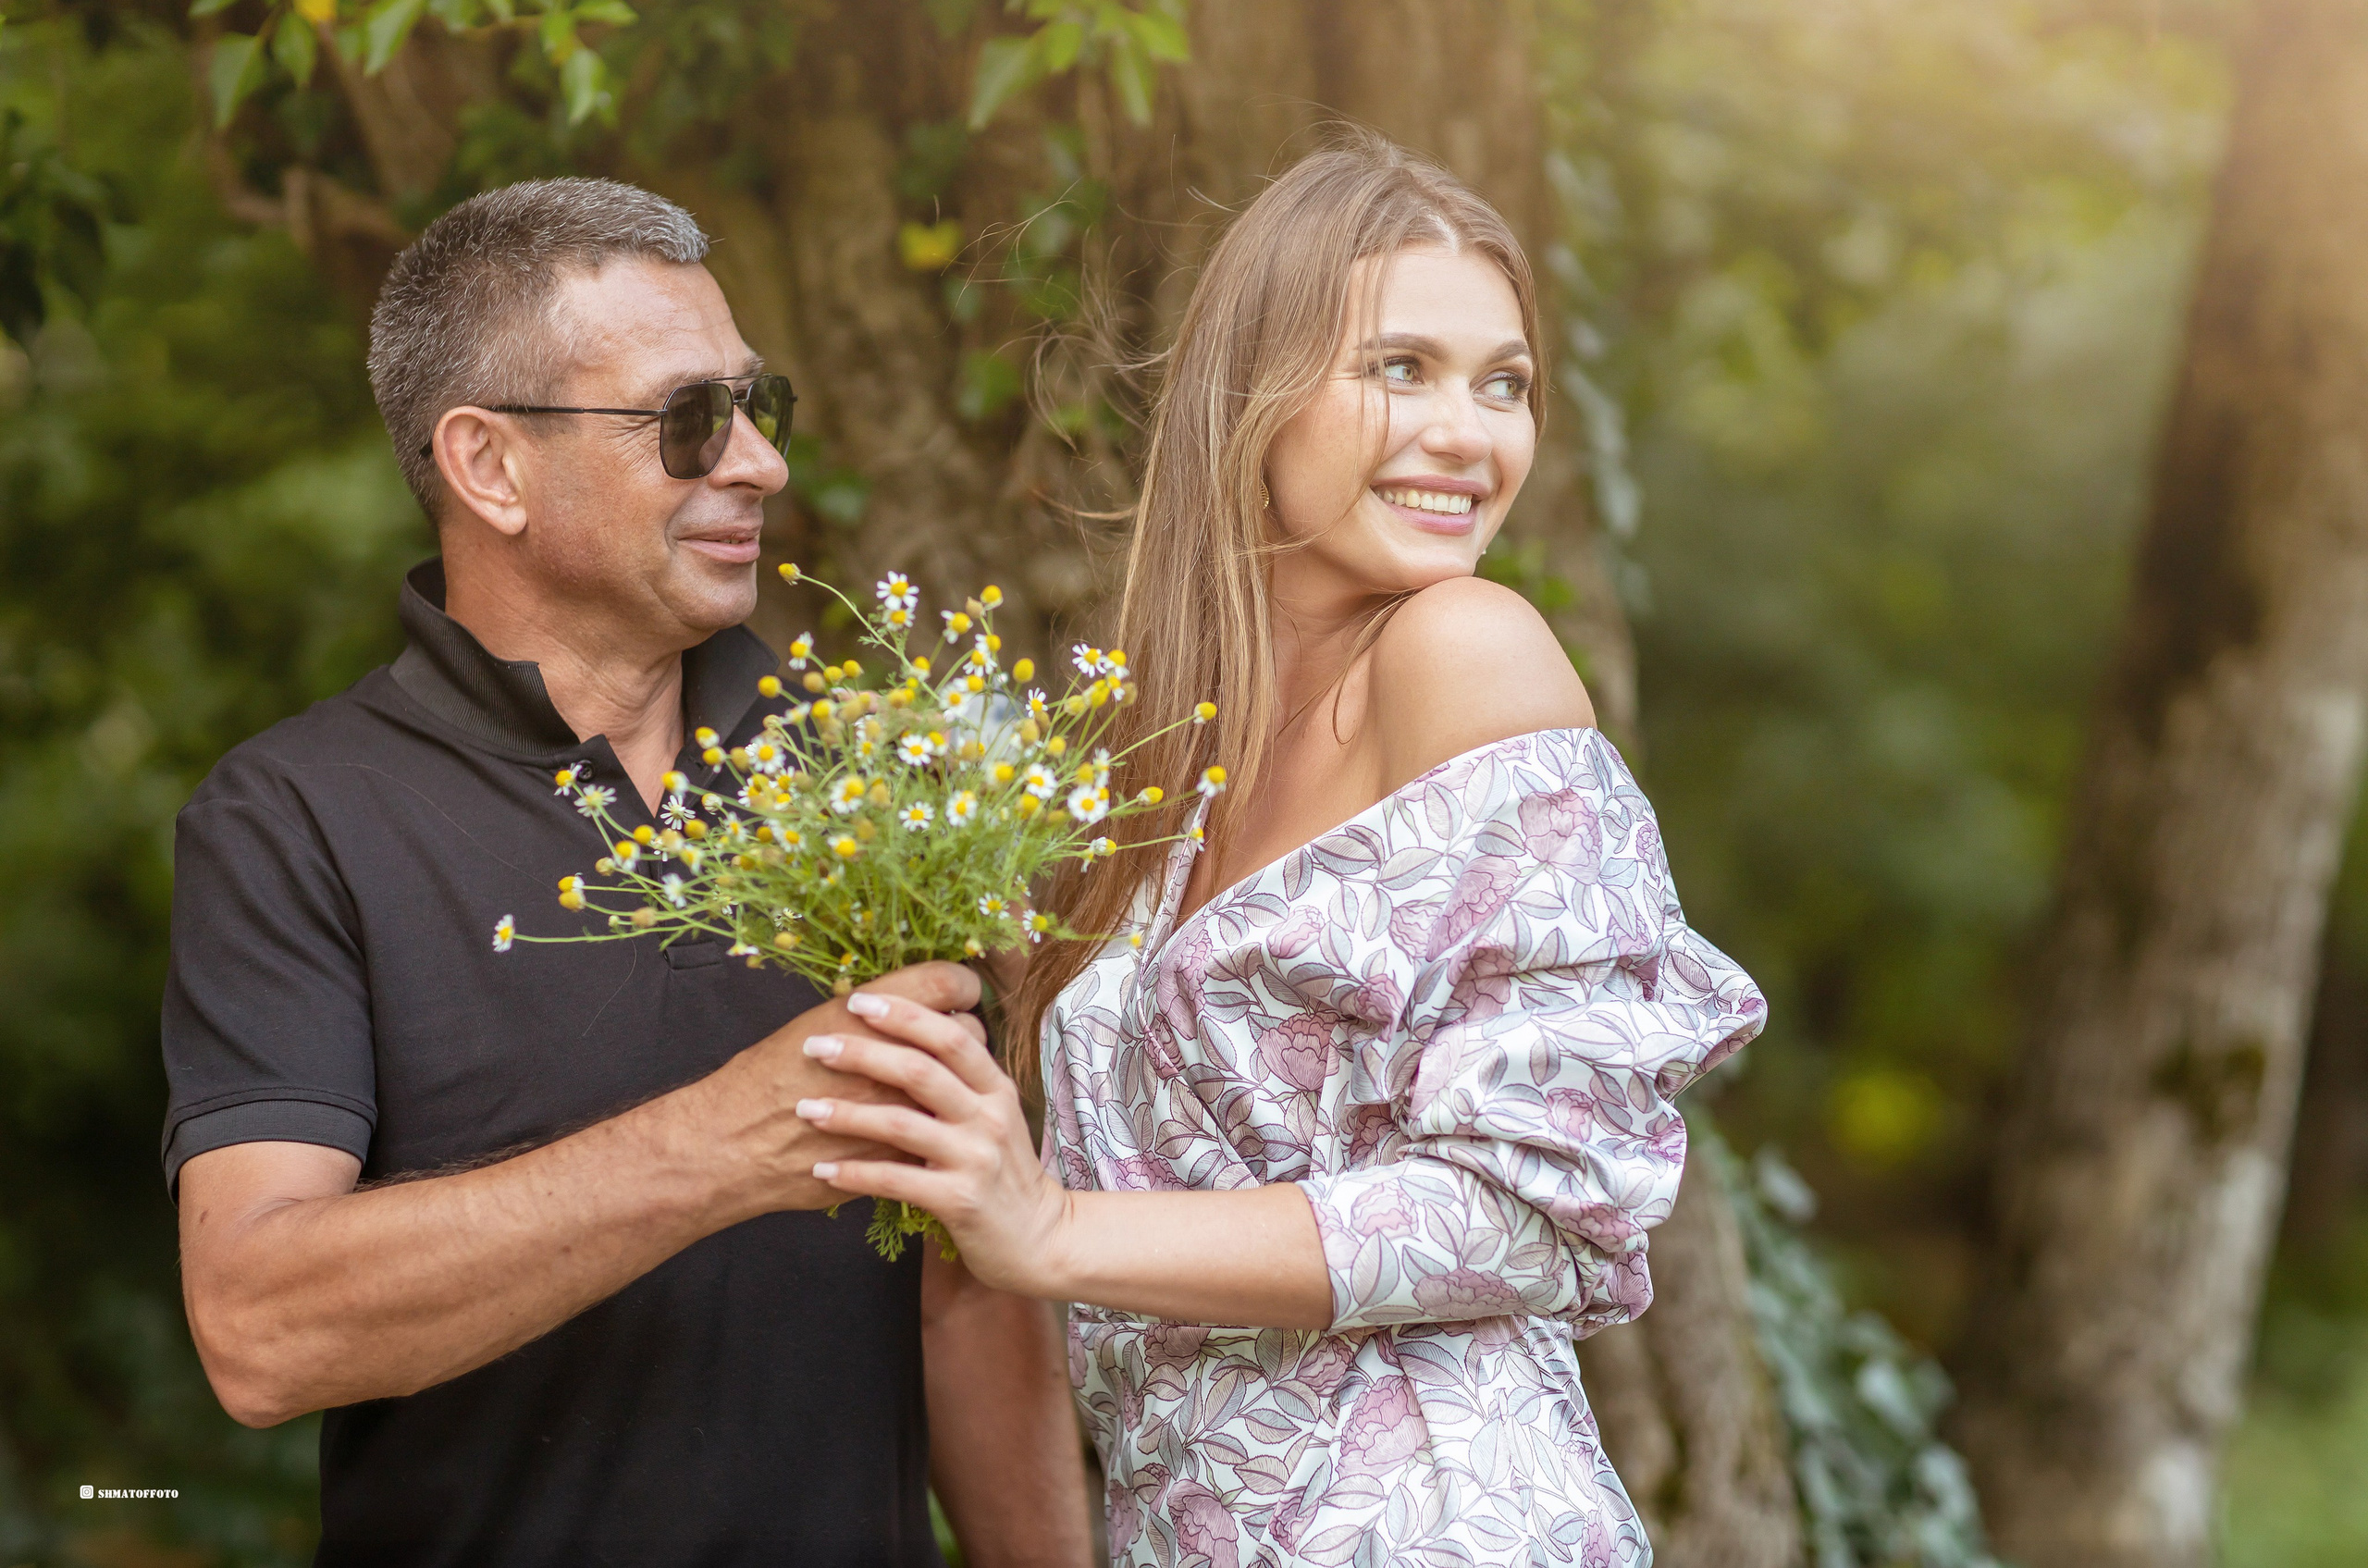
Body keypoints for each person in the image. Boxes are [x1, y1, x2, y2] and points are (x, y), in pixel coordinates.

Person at [786, 132, 1768, 1563]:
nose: (1469, 432)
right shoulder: (1159, 758)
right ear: (1252, 392)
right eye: (1402, 368)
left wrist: (1054, 1230)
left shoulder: (1464, 654)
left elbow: (1535, 1208)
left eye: (1505, 383)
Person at [162, 179, 1090, 1567]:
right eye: (691, 419)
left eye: (757, 402)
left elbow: (965, 1287)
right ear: (489, 467)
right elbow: (260, 1327)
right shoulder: (293, 816)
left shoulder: (880, 779)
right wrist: (723, 1143)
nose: (762, 463)